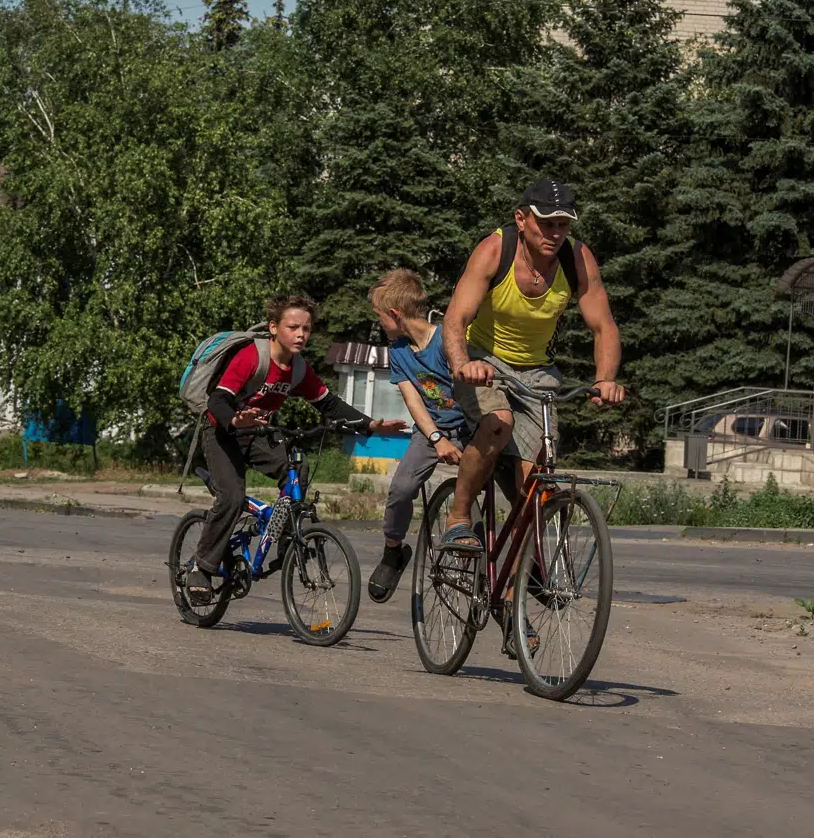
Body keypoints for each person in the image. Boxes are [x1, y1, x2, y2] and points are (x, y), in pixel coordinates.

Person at [440, 180, 625, 655]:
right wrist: (464, 364)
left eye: (563, 224)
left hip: (538, 371)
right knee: (496, 421)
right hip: (481, 361)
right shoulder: (494, 250)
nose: (555, 232)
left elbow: (603, 324)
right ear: (522, 218)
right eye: (546, 222)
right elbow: (455, 319)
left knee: (536, 488)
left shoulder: (576, 260)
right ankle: (459, 515)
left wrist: (606, 377)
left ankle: (508, 598)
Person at [187, 293, 406, 600]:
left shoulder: (298, 369)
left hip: (257, 434)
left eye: (306, 328)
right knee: (232, 497)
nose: (301, 334)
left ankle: (287, 539)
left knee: (297, 467)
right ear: (274, 327)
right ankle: (202, 568)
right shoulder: (252, 356)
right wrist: (235, 421)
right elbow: (218, 399)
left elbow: (329, 404)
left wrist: (370, 425)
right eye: (293, 327)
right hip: (223, 431)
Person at [365, 269, 468, 603]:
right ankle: (393, 550)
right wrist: (437, 438)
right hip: (431, 429)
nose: (379, 324)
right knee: (402, 488)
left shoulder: (447, 340)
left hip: (470, 427)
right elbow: (414, 401)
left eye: (380, 317)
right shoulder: (399, 352)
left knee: (490, 484)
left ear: (395, 314)